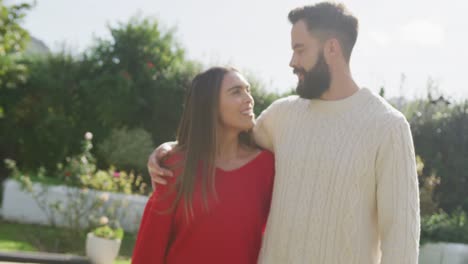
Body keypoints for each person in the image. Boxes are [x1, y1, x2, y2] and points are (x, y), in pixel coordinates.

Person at [148, 2, 420, 263]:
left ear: (331, 49)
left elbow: (401, 242)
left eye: (300, 50)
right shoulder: (282, 115)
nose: (292, 61)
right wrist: (170, 149)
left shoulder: (388, 127)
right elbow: (226, 141)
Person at [132, 66, 274, 264]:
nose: (249, 98)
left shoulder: (267, 167)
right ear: (210, 105)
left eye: (248, 90)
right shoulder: (174, 166)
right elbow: (150, 247)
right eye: (236, 92)